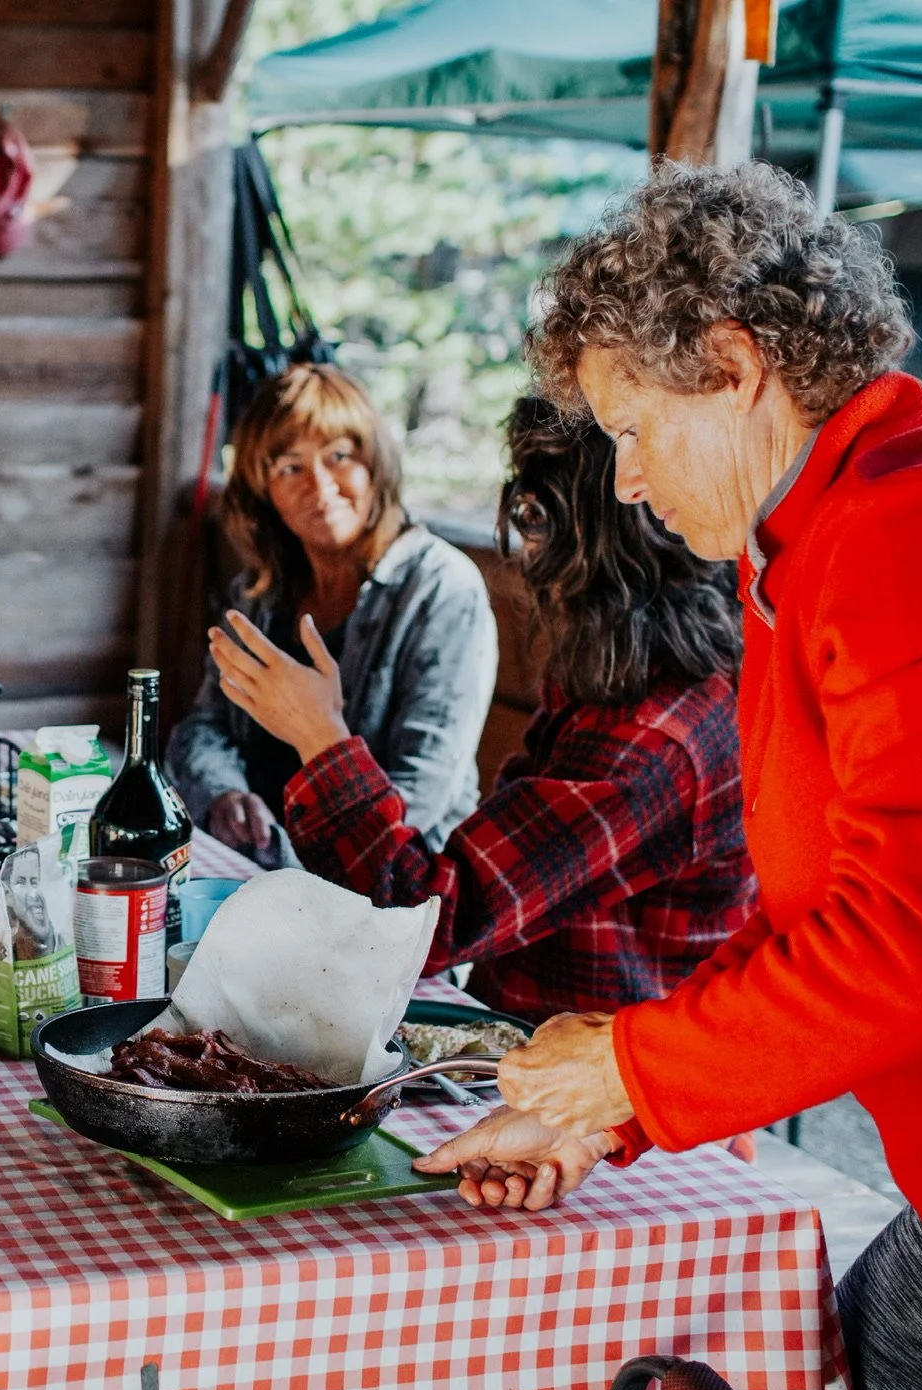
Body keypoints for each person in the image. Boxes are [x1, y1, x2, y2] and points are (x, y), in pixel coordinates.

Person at [414, 162, 922, 1390]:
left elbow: (917, 949)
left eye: (634, 430)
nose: (626, 480)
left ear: (735, 365)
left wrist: (627, 1069)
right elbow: (817, 914)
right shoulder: (814, 535)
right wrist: (608, 1116)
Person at [211, 397, 753, 1020]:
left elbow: (422, 920)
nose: (530, 552)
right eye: (289, 467)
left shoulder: (652, 739)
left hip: (594, 1064)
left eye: (537, 520)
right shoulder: (619, 668)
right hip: (516, 1023)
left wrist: (320, 738)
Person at [168, 364, 495, 862]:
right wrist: (224, 797)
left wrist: (287, 860)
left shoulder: (441, 589)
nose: (320, 485)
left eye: (339, 456)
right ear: (263, 491)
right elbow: (203, 726)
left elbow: (422, 792)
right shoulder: (261, 594)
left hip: (390, 880)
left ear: (374, 462)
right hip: (258, 866)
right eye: (290, 467)